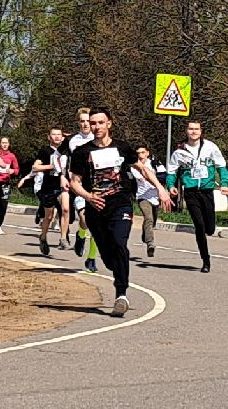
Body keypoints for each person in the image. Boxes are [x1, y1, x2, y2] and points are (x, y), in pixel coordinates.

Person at [67, 107, 169, 317]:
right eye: (93, 123)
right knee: (107, 256)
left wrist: (161, 189)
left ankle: (121, 295)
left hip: (120, 203)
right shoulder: (82, 152)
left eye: (100, 123)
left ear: (109, 124)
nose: (96, 127)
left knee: (119, 243)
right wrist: (88, 197)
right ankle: (118, 271)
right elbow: (74, 182)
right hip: (96, 207)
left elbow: (142, 169)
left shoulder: (122, 148)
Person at [166, 120, 228, 273]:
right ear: (186, 131)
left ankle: (209, 229)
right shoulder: (179, 151)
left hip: (207, 191)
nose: (193, 132)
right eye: (191, 129)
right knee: (199, 226)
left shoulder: (210, 147)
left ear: (201, 131)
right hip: (191, 192)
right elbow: (172, 171)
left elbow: (221, 166)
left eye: (196, 129)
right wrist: (171, 186)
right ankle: (205, 260)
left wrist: (225, 183)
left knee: (209, 228)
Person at [20, 126, 67, 256]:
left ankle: (63, 238)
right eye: (54, 134)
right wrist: (52, 166)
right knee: (49, 216)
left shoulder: (67, 150)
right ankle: (43, 237)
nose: (57, 137)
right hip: (48, 187)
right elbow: (35, 166)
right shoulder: (45, 151)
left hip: (62, 185)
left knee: (66, 210)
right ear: (49, 137)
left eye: (59, 134)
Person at [61, 108, 96, 258]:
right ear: (78, 123)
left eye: (88, 121)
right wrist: (63, 175)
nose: (85, 124)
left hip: (99, 183)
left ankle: (92, 258)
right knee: (84, 218)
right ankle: (81, 234)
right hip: (79, 184)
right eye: (82, 121)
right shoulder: (71, 140)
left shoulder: (100, 138)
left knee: (96, 224)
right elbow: (60, 157)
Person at [133, 145, 164, 258]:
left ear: (147, 153)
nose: (140, 155)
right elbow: (144, 177)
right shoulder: (135, 166)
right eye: (138, 153)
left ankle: (145, 234)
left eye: (142, 152)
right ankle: (150, 244)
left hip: (156, 197)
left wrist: (160, 186)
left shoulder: (155, 163)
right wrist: (153, 180)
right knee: (148, 218)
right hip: (143, 196)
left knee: (152, 221)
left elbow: (163, 176)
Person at [0, 136, 20, 234]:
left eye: (6, 143)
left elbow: (17, 170)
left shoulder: (12, 156)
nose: (4, 145)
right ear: (0, 144)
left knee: (4, 205)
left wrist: (12, 171)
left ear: (9, 144)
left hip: (5, 182)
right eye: (3, 143)